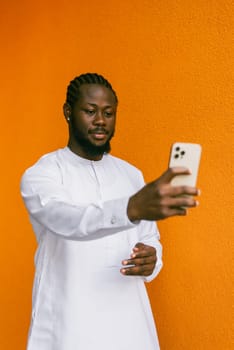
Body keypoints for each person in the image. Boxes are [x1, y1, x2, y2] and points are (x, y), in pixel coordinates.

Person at [20, 73, 199, 350]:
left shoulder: (131, 174)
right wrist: (131, 208)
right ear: (68, 112)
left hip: (129, 322)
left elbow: (150, 237)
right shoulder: (43, 174)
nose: (101, 120)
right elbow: (67, 219)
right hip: (68, 324)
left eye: (109, 113)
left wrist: (153, 259)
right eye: (90, 111)